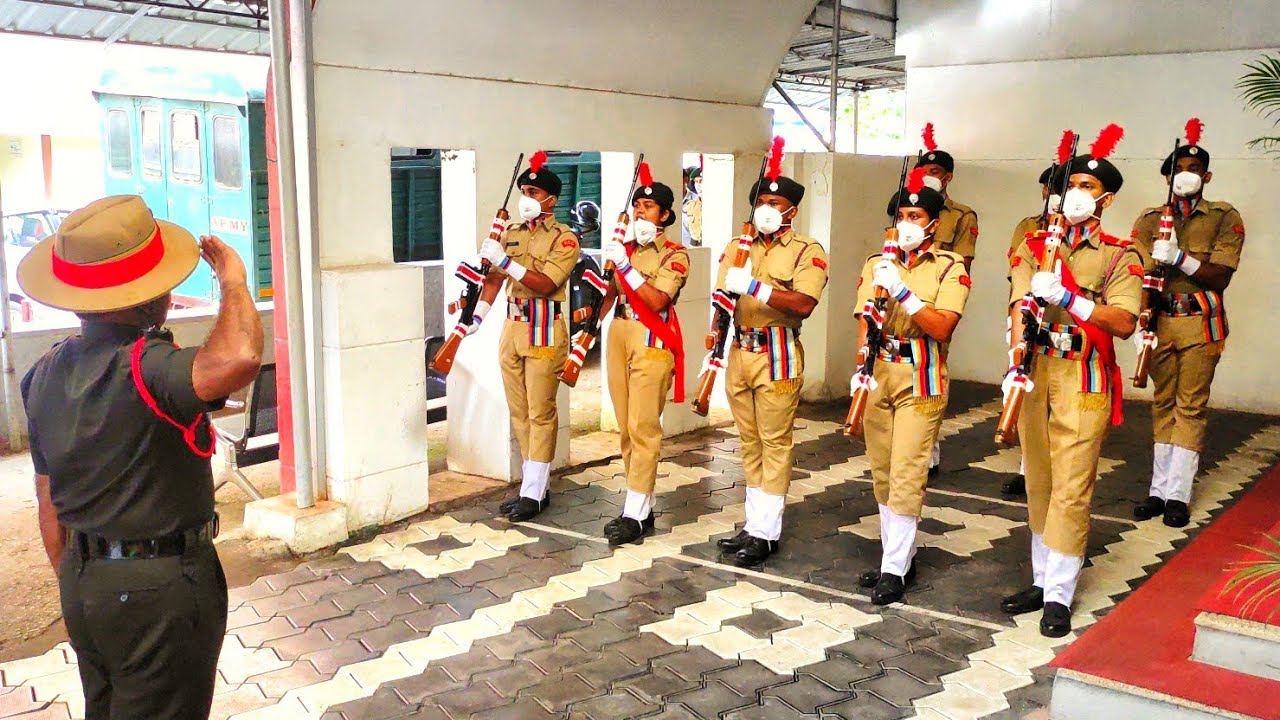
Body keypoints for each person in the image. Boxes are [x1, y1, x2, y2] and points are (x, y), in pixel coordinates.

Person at [18, 195, 263, 719]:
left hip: (85, 582)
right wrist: (234, 283)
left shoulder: (42, 373)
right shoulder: (149, 366)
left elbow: (48, 502)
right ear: (155, 292)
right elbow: (239, 356)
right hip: (158, 589)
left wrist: (86, 577)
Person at [1001, 124, 1142, 637]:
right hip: (1038, 370)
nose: (1075, 194)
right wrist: (1015, 358)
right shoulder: (1034, 245)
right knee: (1038, 480)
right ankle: (1042, 579)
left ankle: (1060, 593)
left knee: (1072, 486)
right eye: (1070, 184)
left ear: (1106, 197)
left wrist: (1071, 299)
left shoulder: (1119, 253)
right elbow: (1018, 303)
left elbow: (1124, 322)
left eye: (1086, 185)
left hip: (1084, 374)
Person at [853, 167, 971, 605]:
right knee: (883, 473)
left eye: (916, 216)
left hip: (921, 375)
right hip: (879, 372)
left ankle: (894, 569)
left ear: (933, 224)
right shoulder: (875, 263)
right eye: (901, 214)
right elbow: (865, 320)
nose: (907, 223)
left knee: (907, 471)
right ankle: (897, 555)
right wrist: (859, 368)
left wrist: (903, 293)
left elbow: (942, 327)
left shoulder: (950, 267)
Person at [712, 140, 829, 567]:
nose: (765, 209)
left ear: (791, 210)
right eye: (761, 201)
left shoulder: (806, 250)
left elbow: (803, 304)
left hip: (777, 352)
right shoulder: (737, 246)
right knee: (748, 442)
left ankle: (767, 531)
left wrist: (757, 287)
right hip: (740, 350)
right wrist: (714, 340)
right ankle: (753, 523)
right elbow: (723, 299)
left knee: (774, 442)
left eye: (774, 202)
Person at [1130, 119, 1243, 528]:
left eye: (1195, 169)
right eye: (1179, 169)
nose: (1186, 176)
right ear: (1167, 176)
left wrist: (1180, 258)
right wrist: (1142, 319)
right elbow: (1135, 274)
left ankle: (1179, 494)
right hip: (1161, 321)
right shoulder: (1149, 220)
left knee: (1190, 405)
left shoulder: (1223, 217)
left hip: (1199, 321)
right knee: (1162, 402)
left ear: (1206, 176)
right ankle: (1158, 490)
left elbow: (1221, 276)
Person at [468, 151, 581, 523]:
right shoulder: (512, 233)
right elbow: (495, 281)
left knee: (540, 411)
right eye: (524, 191)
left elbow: (547, 283)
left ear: (551, 199)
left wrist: (505, 261)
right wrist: (478, 316)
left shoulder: (565, 239)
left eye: (534, 192)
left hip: (545, 328)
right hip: (512, 329)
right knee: (519, 411)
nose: (527, 198)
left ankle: (533, 491)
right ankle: (535, 483)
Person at [586, 165, 690, 545]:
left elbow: (658, 298)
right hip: (619, 333)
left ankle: (633, 511)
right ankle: (640, 506)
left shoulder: (674, 255)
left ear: (664, 215)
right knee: (627, 427)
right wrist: (590, 324)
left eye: (649, 207)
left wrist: (627, 267)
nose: (641, 213)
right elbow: (611, 294)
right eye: (638, 206)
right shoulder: (623, 249)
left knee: (644, 426)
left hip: (652, 338)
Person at [916, 123, 979, 478]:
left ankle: (930, 447)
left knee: (932, 369)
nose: (929, 176)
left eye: (936, 172)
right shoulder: (906, 209)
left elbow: (963, 264)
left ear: (948, 176)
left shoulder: (961, 215)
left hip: (938, 300)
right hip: (902, 298)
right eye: (924, 171)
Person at [1001, 163, 1063, 500]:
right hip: (1028, 317)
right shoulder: (1027, 229)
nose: (1053, 194)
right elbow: (1016, 271)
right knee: (1028, 397)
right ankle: (1028, 469)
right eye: (1049, 187)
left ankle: (1052, 469)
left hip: (1065, 328)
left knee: (1058, 404)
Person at [682, 163, 704, 247]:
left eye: (701, 181)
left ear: (686, 180)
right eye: (696, 182)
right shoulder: (693, 205)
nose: (698, 185)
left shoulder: (695, 201)